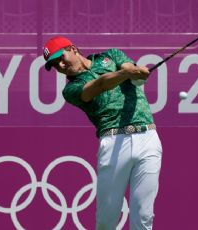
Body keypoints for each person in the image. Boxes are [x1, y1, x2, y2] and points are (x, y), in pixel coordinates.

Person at [43, 36, 163, 230]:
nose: (61, 65)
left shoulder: (111, 55)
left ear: (73, 48)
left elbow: (136, 73)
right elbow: (100, 85)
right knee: (107, 221)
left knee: (143, 215)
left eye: (61, 57)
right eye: (55, 65)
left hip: (147, 137)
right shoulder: (70, 89)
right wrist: (127, 72)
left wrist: (139, 72)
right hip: (114, 142)